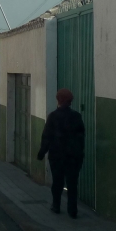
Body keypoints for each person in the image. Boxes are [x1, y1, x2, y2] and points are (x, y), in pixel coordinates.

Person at [37, 88, 86, 218]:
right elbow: (81, 137)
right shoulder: (76, 116)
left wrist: (41, 153)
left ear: (58, 100)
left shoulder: (53, 116)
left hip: (57, 156)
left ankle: (56, 206)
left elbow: (46, 137)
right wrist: (80, 153)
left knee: (57, 182)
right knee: (72, 183)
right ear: (70, 101)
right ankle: (72, 210)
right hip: (73, 156)